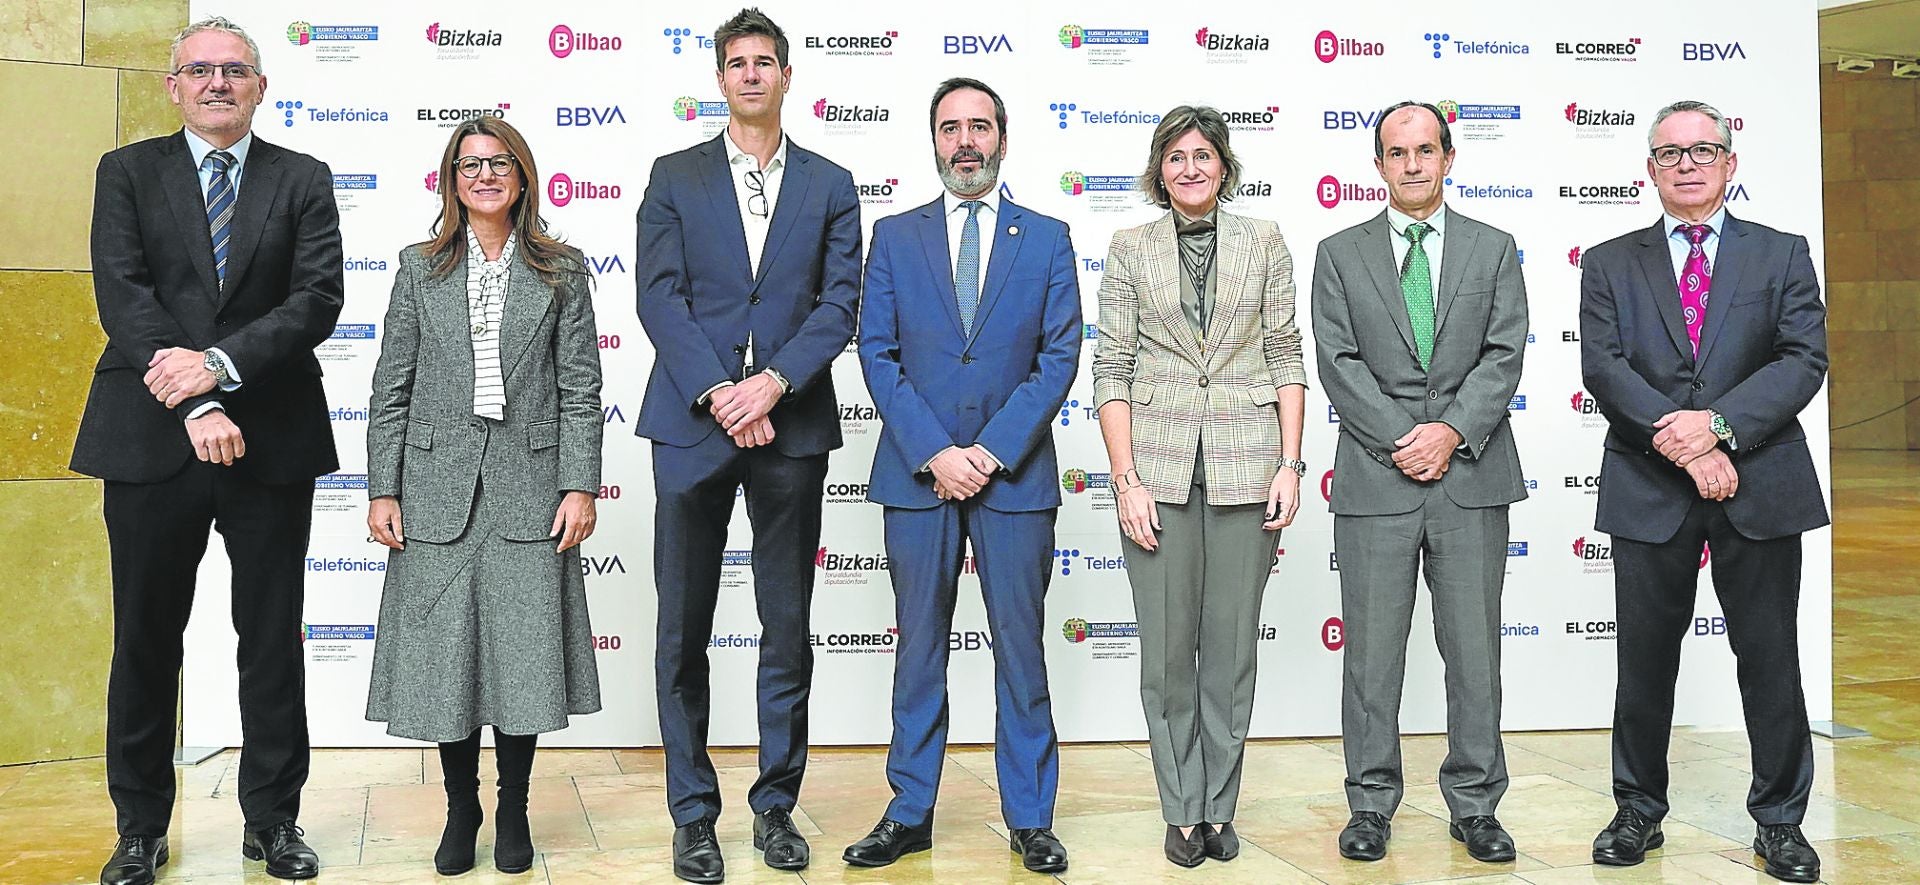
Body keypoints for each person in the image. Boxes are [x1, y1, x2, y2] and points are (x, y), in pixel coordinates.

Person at [71, 17, 341, 885]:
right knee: (146, 639)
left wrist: (218, 367)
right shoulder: (127, 173)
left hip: (272, 438)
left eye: (235, 70)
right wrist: (194, 398)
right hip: (150, 437)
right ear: (173, 86)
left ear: (261, 86)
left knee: (270, 638)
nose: (217, 83)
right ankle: (140, 827)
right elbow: (124, 292)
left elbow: (316, 300)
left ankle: (274, 819)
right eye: (201, 70)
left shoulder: (302, 177)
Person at [634, 7, 863, 883]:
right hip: (692, 424)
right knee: (682, 627)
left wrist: (772, 385)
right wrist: (722, 392)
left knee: (787, 626)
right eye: (739, 62)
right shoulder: (672, 175)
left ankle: (775, 807)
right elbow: (659, 297)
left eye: (767, 61)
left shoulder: (832, 180)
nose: (753, 74)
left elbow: (837, 304)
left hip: (790, 423)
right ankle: (693, 815)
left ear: (788, 75)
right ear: (720, 78)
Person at [1578, 100, 1829, 884]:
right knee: (1643, 661)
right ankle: (1637, 810)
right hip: (1651, 483)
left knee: (1770, 656)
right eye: (1669, 153)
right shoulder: (1611, 260)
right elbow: (1604, 367)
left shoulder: (1782, 253)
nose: (1687, 164)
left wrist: (1719, 426)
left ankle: (1781, 822)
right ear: (1648, 170)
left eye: (1703, 150)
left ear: (1730, 162)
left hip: (1760, 481)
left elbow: (1801, 360)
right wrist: (1686, 443)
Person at [844, 77, 1080, 874]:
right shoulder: (895, 236)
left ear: (1004, 139)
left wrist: (988, 452)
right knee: (919, 654)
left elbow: (1058, 359)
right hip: (919, 475)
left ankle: (1030, 816)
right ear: (934, 140)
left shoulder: (1045, 237)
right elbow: (876, 352)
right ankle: (910, 810)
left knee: (1022, 651)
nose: (966, 141)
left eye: (980, 126)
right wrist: (937, 452)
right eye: (951, 128)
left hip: (1014, 478)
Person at [362, 115, 603, 877]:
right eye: (470, 165)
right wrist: (382, 488)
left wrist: (579, 484)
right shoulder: (417, 267)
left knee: (524, 664)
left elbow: (581, 390)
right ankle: (461, 806)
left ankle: (515, 807)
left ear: (522, 175)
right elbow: (390, 388)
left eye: (499, 163)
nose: (486, 175)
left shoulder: (563, 270)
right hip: (435, 491)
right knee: (448, 663)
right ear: (451, 179)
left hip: (531, 493)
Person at [1310, 101, 1529, 864]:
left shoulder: (1494, 246)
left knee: (1474, 652)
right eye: (1396, 152)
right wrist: (1404, 437)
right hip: (1377, 478)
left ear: (1448, 156)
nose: (1411, 164)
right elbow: (1337, 362)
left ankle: (1475, 804)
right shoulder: (1339, 253)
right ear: (1378, 165)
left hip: (1470, 476)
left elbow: (1505, 353)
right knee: (1371, 654)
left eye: (1425, 149)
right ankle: (1370, 803)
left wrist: (1450, 432)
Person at [1090, 106, 1307, 868]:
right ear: (1160, 169)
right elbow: (1110, 368)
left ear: (1224, 166)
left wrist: (1291, 462)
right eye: (1176, 156)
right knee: (1167, 654)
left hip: (1250, 471)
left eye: (1203, 155)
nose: (1190, 168)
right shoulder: (1127, 247)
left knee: (1231, 654)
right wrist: (1126, 481)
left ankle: (1221, 805)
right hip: (1157, 473)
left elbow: (1286, 354)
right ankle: (1180, 808)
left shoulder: (1266, 240)